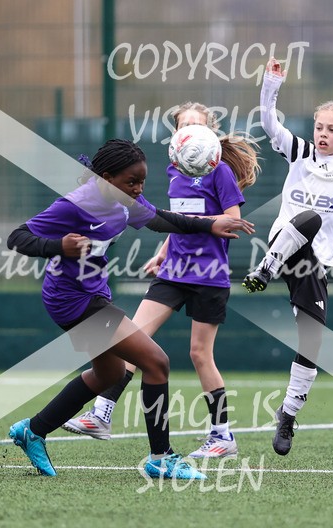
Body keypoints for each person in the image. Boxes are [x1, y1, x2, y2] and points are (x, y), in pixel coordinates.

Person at [6, 139, 254, 479]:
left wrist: (209, 223)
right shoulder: (75, 205)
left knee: (108, 375)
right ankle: (161, 457)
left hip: (92, 294)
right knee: (156, 362)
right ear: (106, 178)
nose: (138, 189)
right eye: (131, 182)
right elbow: (17, 238)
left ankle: (32, 430)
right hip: (72, 299)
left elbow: (161, 220)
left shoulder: (124, 201)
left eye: (141, 182)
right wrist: (58, 246)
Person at [63, 102, 260, 459]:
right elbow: (179, 220)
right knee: (134, 342)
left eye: (198, 126)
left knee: (200, 354)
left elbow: (231, 221)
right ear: (175, 136)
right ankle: (102, 415)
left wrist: (203, 222)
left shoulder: (221, 173)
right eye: (184, 126)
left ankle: (222, 435)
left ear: (210, 134)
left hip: (208, 275)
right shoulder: (174, 170)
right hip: (174, 272)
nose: (190, 132)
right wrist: (164, 251)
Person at [243, 58, 333, 456]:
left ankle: (288, 415)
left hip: (314, 263)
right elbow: (270, 122)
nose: (323, 134)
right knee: (306, 218)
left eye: (331, 129)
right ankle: (266, 266)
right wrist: (271, 82)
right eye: (319, 127)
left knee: (312, 341)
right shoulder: (301, 154)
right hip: (283, 245)